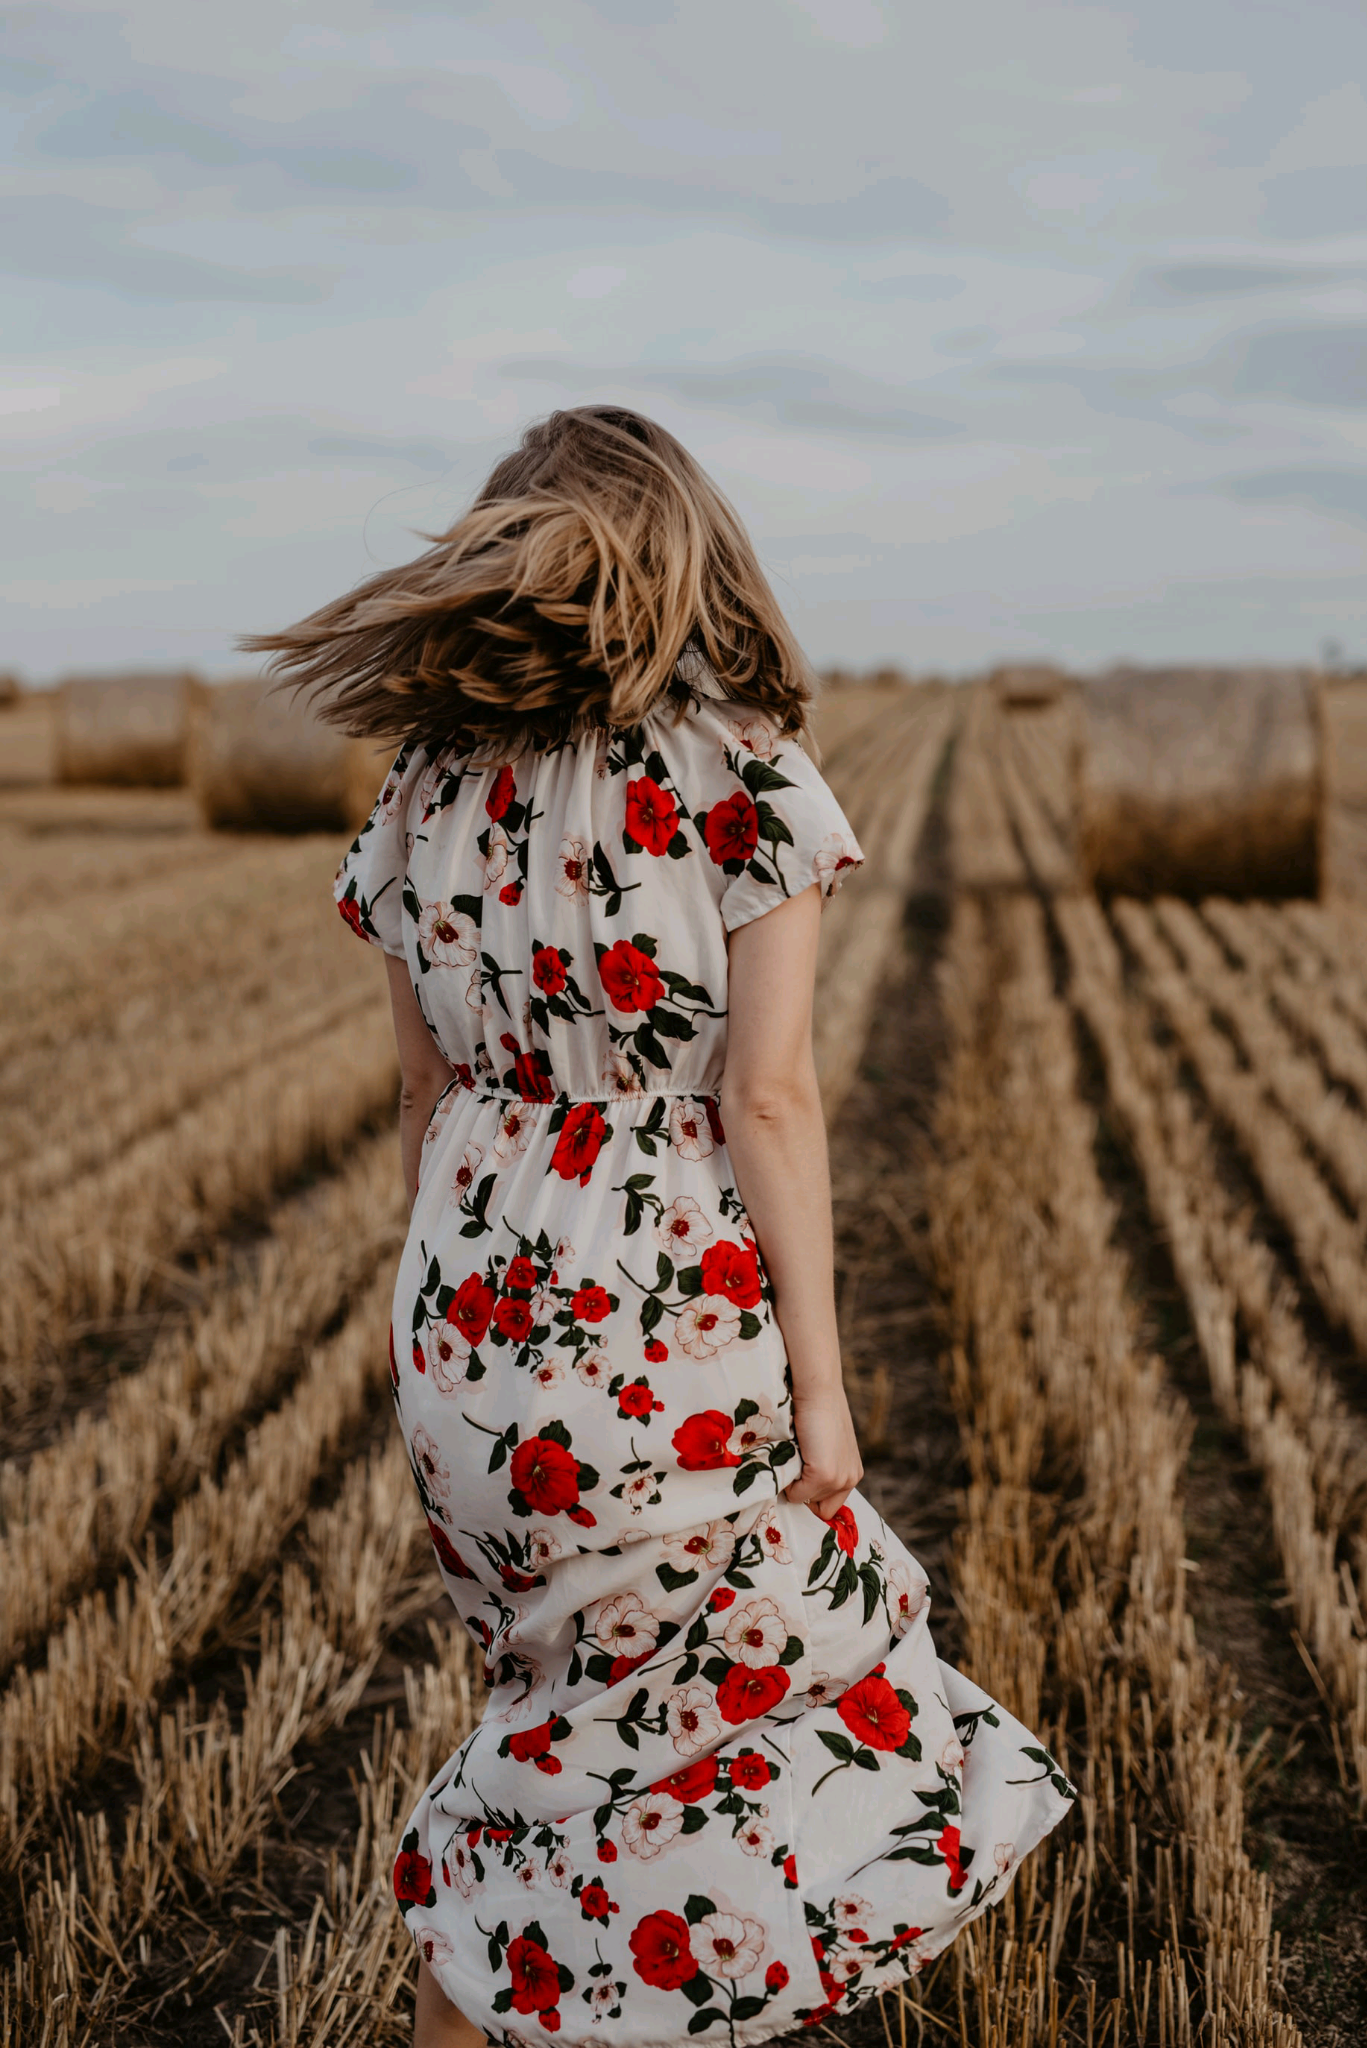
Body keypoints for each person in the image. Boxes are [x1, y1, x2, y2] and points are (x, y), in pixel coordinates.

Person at [250, 407, 1073, 2048]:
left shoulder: (424, 790)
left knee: (563, 1733)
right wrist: (822, 1392)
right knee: (751, 1714)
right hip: (655, 1329)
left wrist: (458, 1334)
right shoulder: (746, 771)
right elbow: (766, 1102)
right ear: (693, 549)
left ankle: (476, 2005)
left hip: (472, 1327)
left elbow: (422, 1104)